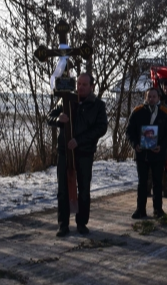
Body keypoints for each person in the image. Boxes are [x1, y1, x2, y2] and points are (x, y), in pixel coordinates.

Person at [47, 73, 108, 237]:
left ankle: (81, 223)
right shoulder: (65, 101)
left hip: (84, 153)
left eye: (84, 85)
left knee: (84, 189)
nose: (80, 87)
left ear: (91, 87)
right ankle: (63, 224)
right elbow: (49, 117)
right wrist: (59, 119)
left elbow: (101, 128)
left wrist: (79, 140)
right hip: (64, 152)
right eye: (79, 84)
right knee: (63, 189)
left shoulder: (98, 105)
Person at [126, 88, 167, 219]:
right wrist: (135, 144)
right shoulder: (137, 112)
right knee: (142, 183)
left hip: (158, 154)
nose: (151, 99)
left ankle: (158, 210)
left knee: (157, 183)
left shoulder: (165, 113)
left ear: (158, 98)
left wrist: (162, 146)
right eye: (149, 96)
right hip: (141, 154)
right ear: (145, 97)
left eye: (154, 97)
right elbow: (129, 131)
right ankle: (140, 209)